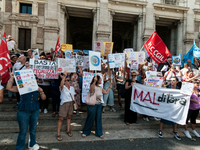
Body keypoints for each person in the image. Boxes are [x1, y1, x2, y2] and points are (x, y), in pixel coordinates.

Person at [6, 72, 46, 150]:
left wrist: (41, 91)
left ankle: (32, 144)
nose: (33, 79)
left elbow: (44, 98)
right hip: (23, 111)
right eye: (32, 78)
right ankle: (19, 147)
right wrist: (11, 78)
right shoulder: (22, 87)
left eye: (35, 78)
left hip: (35, 110)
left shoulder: (37, 88)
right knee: (23, 131)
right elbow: (8, 88)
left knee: (33, 129)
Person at [56, 72, 78, 141]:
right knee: (61, 118)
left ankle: (68, 130)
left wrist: (76, 103)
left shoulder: (71, 88)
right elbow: (61, 84)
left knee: (69, 117)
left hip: (70, 103)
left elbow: (73, 96)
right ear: (65, 81)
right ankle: (58, 133)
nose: (69, 81)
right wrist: (64, 76)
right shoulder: (62, 87)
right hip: (64, 104)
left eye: (69, 80)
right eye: (68, 80)